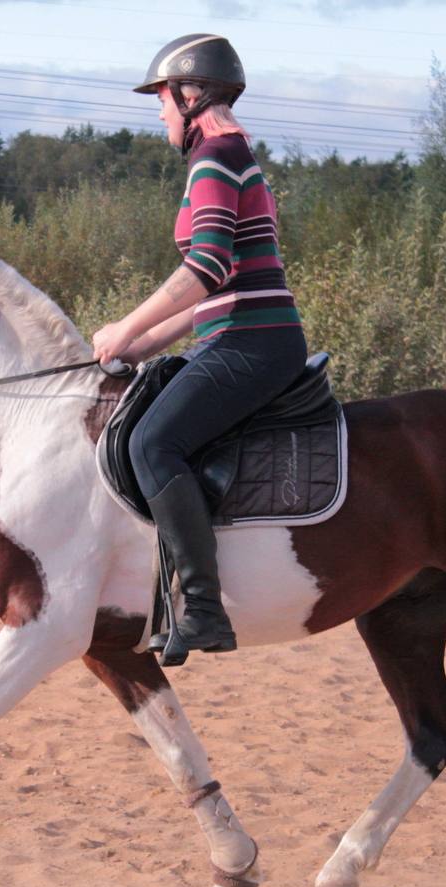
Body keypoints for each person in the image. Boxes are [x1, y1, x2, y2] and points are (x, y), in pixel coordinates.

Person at [91, 34, 308, 663]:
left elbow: (207, 268)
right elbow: (205, 299)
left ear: (191, 94)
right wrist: (143, 346)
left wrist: (124, 328)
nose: (159, 113)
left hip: (251, 341)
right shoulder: (232, 154)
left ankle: (205, 610)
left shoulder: (214, 159)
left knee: (150, 443)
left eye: (161, 98)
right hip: (240, 332)